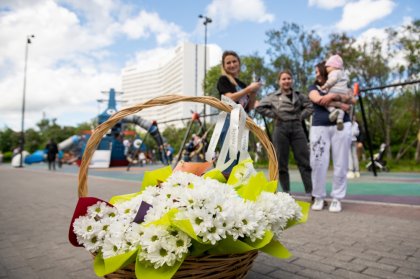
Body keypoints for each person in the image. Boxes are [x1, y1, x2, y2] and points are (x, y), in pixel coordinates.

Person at [256, 70, 313, 195]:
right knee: (281, 162)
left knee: (304, 160)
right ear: (279, 81)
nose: (286, 81)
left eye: (289, 78)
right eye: (284, 79)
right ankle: (286, 192)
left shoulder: (299, 95)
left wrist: (300, 116)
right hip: (281, 128)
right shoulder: (272, 96)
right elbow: (259, 107)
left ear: (292, 80)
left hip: (298, 128)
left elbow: (310, 106)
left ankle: (310, 192)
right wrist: (275, 115)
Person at [309, 61, 354, 213]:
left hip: (342, 126)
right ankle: (319, 196)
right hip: (319, 127)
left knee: (341, 162)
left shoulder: (341, 83)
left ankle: (337, 198)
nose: (316, 74)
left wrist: (336, 96)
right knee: (318, 162)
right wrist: (340, 100)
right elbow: (319, 100)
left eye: (317, 71)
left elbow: (352, 99)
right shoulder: (314, 87)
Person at [216, 50, 262, 175]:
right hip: (228, 121)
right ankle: (225, 191)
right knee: (228, 159)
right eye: (228, 62)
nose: (231, 64)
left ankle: (238, 189)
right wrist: (248, 89)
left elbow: (250, 106)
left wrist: (253, 92)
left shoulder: (242, 84)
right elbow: (229, 98)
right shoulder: (223, 80)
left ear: (239, 63)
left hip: (243, 122)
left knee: (240, 159)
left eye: (234, 61)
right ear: (224, 66)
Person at [320, 54, 352, 131]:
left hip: (334, 91)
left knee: (326, 103)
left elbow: (332, 80)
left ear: (334, 66)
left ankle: (334, 111)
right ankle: (339, 119)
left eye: (328, 67)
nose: (326, 69)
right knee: (341, 108)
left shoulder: (334, 72)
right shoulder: (344, 74)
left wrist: (325, 86)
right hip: (344, 92)